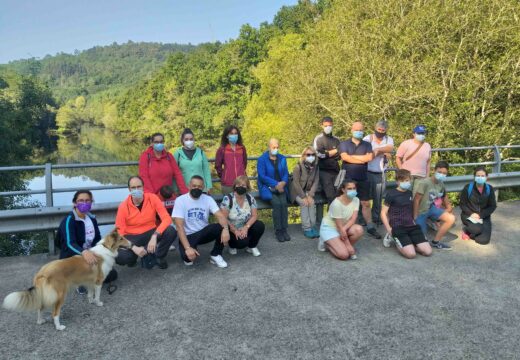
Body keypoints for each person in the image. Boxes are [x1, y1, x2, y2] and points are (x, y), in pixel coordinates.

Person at [57, 190, 117, 294]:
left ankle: (87, 277)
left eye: (87, 201)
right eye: (80, 201)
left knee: (112, 275)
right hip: (73, 255)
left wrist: (106, 253)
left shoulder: (92, 219)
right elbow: (70, 243)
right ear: (75, 203)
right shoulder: (69, 220)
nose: (84, 203)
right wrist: (84, 252)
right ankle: (80, 282)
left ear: (91, 202)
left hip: (91, 253)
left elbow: (97, 239)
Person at [115, 176, 176, 269]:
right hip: (132, 236)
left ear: (143, 187)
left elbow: (166, 218)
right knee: (120, 257)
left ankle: (159, 256)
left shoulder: (153, 198)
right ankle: (135, 257)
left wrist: (155, 235)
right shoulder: (123, 206)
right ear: (129, 189)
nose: (136, 189)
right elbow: (119, 233)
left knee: (171, 230)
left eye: (139, 187)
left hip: (150, 231)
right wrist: (133, 247)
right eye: (133, 187)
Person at [172, 175, 231, 268]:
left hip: (204, 233)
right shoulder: (180, 200)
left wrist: (226, 229)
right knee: (188, 259)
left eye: (199, 186)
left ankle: (216, 254)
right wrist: (187, 248)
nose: (197, 188)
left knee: (220, 227)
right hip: (189, 235)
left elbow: (220, 215)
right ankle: (191, 249)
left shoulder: (208, 199)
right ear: (189, 186)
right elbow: (179, 226)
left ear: (203, 187)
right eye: (194, 186)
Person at [339, 121, 382, 239]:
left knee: (366, 203)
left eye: (361, 130)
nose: (359, 132)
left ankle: (370, 227)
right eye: (356, 130)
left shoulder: (367, 145)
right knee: (346, 202)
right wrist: (361, 159)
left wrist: (352, 158)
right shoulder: (344, 144)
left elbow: (369, 158)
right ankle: (344, 227)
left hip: (363, 177)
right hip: (348, 178)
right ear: (351, 130)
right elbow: (344, 157)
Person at [381, 169, 432, 259]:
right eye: (403, 181)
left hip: (411, 225)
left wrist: (414, 219)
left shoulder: (409, 193)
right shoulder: (391, 194)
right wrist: (389, 229)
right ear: (397, 182)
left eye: (408, 180)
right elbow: (383, 213)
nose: (406, 183)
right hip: (398, 227)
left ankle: (409, 241)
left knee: (428, 252)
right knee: (411, 254)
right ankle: (392, 236)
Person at [413, 161, 455, 250]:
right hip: (421, 212)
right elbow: (416, 200)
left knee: (451, 218)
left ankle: (436, 242)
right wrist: (415, 216)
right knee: (422, 243)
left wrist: (443, 213)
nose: (442, 174)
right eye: (439, 172)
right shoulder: (424, 183)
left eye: (444, 173)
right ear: (434, 170)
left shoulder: (441, 184)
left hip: (431, 209)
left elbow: (445, 200)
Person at [318, 180, 364, 260]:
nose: (352, 191)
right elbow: (339, 227)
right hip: (330, 228)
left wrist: (344, 232)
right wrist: (348, 244)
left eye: (354, 188)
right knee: (344, 255)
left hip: (344, 226)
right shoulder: (337, 203)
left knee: (359, 229)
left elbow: (353, 219)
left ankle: (342, 246)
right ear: (343, 190)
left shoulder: (356, 200)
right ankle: (325, 242)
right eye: (349, 189)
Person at [220, 175, 265, 257]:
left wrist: (246, 227)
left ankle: (252, 246)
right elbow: (223, 218)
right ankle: (232, 246)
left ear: (247, 187)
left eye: (243, 185)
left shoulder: (250, 198)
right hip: (231, 229)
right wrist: (234, 230)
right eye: (238, 185)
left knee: (260, 225)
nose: (240, 187)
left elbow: (254, 216)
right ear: (235, 186)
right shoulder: (228, 199)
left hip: (244, 227)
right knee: (241, 244)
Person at [257, 138, 290, 242]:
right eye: (273, 147)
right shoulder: (262, 159)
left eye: (277, 147)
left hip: (281, 187)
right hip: (268, 188)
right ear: (269, 147)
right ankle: (278, 230)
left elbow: (285, 173)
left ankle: (284, 229)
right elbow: (262, 176)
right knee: (276, 203)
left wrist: (283, 183)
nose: (275, 149)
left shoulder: (282, 158)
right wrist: (276, 184)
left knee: (284, 203)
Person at [362, 119, 394, 225]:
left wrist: (377, 150)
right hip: (367, 171)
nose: (380, 131)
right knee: (364, 197)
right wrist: (382, 152)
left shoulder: (389, 139)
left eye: (383, 130)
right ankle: (363, 218)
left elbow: (390, 149)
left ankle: (376, 218)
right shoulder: (368, 138)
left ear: (386, 130)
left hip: (380, 172)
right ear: (375, 128)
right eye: (379, 129)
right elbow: (366, 155)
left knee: (378, 198)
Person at [138, 132, 188, 199]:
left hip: (168, 195)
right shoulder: (146, 156)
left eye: (161, 142)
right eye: (156, 142)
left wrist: (185, 193)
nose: (159, 144)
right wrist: (152, 196)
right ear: (152, 143)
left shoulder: (169, 156)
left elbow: (178, 174)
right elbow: (144, 176)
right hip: (152, 196)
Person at [459, 166, 497, 245]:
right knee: (476, 229)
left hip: (483, 216)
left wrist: (481, 215)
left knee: (483, 241)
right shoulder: (468, 188)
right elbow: (462, 204)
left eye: (482, 176)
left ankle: (479, 229)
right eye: (478, 176)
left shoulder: (489, 189)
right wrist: (471, 213)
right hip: (468, 215)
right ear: (474, 177)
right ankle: (466, 230)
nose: (480, 178)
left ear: (486, 177)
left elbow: (492, 206)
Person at [290, 146, 320, 238]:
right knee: (304, 203)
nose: (311, 156)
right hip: (297, 192)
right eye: (308, 154)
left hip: (307, 191)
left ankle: (312, 226)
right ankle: (306, 228)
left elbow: (316, 181)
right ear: (304, 156)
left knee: (311, 202)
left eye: (313, 154)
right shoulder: (298, 167)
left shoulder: (315, 167)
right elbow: (296, 183)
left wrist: (310, 195)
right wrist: (304, 197)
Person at [172, 128, 213, 194]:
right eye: (186, 139)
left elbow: (206, 171)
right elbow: (174, 173)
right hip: (184, 190)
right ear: (182, 140)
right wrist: (175, 189)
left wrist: (209, 186)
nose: (189, 141)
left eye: (191, 139)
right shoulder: (177, 154)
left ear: (194, 140)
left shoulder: (201, 153)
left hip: (200, 189)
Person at [313, 116, 340, 205]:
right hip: (323, 171)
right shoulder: (318, 139)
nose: (328, 127)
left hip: (336, 171)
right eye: (326, 126)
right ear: (322, 126)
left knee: (339, 195)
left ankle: (337, 217)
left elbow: (340, 154)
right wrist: (334, 151)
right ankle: (332, 218)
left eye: (330, 125)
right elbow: (319, 154)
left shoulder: (337, 139)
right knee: (331, 196)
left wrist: (327, 153)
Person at [215, 125, 248, 194]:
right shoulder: (222, 149)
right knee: (229, 203)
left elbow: (244, 163)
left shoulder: (242, 148)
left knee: (242, 203)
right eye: (231, 134)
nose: (234, 135)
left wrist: (242, 173)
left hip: (241, 182)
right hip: (228, 184)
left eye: (236, 133)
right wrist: (224, 176)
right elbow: (218, 165)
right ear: (227, 136)